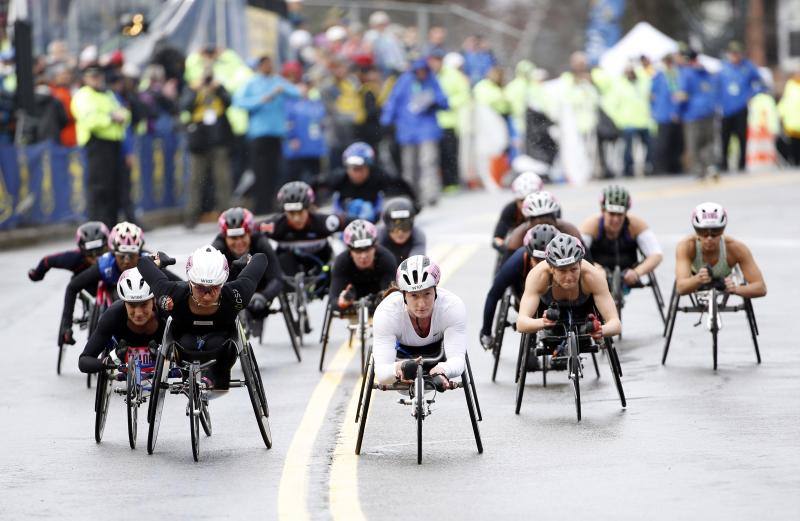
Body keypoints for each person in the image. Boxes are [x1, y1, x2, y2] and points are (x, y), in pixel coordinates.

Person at [139, 245, 267, 390]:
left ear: (222, 283)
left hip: (222, 344)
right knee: (187, 343)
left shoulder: (236, 295)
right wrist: (159, 260)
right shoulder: (173, 294)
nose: (207, 295)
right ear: (190, 282)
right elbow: (143, 263)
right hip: (184, 344)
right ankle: (191, 381)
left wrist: (248, 261)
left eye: (214, 288)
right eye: (200, 287)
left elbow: (261, 258)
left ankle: (210, 381)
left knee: (217, 343)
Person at [372, 255, 467, 390]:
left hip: (437, 359)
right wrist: (399, 368)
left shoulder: (452, 307)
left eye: (427, 294)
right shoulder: (387, 312)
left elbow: (458, 360)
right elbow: (382, 373)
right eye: (414, 295)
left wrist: (443, 369)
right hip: (402, 359)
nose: (421, 304)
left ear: (435, 290)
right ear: (404, 295)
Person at [516, 234, 621, 349]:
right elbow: (521, 323)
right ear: (551, 268)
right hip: (548, 311)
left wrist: (601, 330)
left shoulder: (592, 276)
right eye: (562, 271)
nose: (569, 277)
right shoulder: (538, 275)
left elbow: (616, 324)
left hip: (583, 311)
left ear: (580, 263)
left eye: (573, 269)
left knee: (585, 336)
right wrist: (543, 322)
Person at [58, 222, 144, 347]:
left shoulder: (149, 261)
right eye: (122, 256)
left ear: (140, 253)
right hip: (109, 287)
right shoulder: (105, 264)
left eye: (132, 256)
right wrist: (66, 326)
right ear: (113, 253)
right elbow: (72, 287)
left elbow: (174, 286)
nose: (127, 261)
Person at [233, 55, 301, 214]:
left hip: (276, 132)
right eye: (266, 64)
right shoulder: (251, 83)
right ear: (259, 66)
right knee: (260, 171)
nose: (269, 67)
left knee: (275, 170)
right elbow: (238, 102)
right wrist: (261, 99)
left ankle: (273, 204)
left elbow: (296, 92)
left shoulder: (277, 81)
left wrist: (283, 88)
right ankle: (260, 206)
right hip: (259, 134)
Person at [380, 58, 449, 207]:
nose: (421, 74)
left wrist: (433, 101)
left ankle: (430, 194)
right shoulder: (404, 82)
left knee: (428, 162)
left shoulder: (432, 81)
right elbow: (393, 101)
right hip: (407, 130)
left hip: (427, 129)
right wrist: (386, 120)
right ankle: (411, 195)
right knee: (409, 166)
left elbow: (444, 100)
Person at [480, 224, 558, 349]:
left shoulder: (564, 265)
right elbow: (493, 295)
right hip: (523, 295)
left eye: (547, 260)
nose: (542, 265)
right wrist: (486, 332)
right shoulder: (517, 260)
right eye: (537, 260)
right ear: (528, 254)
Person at [70, 66, 130, 227]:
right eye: (93, 77)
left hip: (114, 144)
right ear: (85, 79)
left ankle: (111, 226)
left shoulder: (108, 94)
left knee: (114, 189)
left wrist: (118, 116)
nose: (97, 79)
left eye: (98, 76)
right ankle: (97, 227)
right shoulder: (83, 96)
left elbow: (125, 113)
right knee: (99, 189)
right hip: (96, 145)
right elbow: (90, 121)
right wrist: (111, 118)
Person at [78, 268, 165, 373]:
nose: (138, 313)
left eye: (144, 304)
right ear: (124, 303)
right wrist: (108, 361)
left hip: (160, 350)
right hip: (121, 352)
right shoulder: (113, 315)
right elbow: (83, 361)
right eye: (132, 305)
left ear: (154, 300)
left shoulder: (166, 311)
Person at [675, 202, 766, 298]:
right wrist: (697, 279)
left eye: (715, 231)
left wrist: (736, 289)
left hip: (723, 280)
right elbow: (680, 288)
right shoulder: (687, 246)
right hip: (695, 277)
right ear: (696, 231)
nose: (709, 238)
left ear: (722, 230)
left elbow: (761, 288)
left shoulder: (736, 248)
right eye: (703, 232)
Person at [580, 185, 663, 288]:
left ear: (626, 213)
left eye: (620, 214)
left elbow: (656, 255)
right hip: (598, 268)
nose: (615, 219)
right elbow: (578, 256)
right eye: (612, 214)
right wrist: (595, 268)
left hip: (628, 269)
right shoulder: (591, 225)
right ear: (602, 211)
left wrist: (637, 272)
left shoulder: (636, 225)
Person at [180, 69, 234, 228]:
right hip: (199, 141)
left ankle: (228, 216)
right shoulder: (192, 88)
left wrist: (218, 89)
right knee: (195, 181)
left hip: (218, 140)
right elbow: (185, 106)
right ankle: (191, 217)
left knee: (223, 180)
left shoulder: (218, 88)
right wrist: (197, 91)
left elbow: (229, 102)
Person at [211, 207, 284, 321]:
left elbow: (277, 278)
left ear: (250, 233)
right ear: (225, 237)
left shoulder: (261, 243)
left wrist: (264, 296)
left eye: (242, 236)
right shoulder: (217, 248)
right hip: (231, 287)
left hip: (259, 288)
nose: (239, 242)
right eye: (233, 238)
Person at [259, 181, 344, 277]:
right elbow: (249, 229)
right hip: (287, 275)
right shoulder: (273, 225)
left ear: (308, 208)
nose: (296, 218)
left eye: (300, 212)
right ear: (284, 211)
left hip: (321, 269)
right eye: (291, 213)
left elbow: (353, 223)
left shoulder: (324, 222)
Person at [326, 141, 417, 222]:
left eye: (361, 169)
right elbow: (317, 185)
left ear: (368, 167)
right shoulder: (339, 178)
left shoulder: (378, 177)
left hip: (372, 219)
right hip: (344, 220)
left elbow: (401, 184)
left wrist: (414, 204)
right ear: (347, 168)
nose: (357, 174)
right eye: (354, 169)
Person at [330, 220, 398, 312]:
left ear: (375, 246)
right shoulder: (341, 262)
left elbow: (392, 298)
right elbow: (333, 301)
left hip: (379, 298)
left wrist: (376, 301)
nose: (363, 256)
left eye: (367, 249)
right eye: (358, 251)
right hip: (353, 300)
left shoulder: (387, 259)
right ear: (350, 250)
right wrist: (342, 302)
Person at [717, 41, 764, 172]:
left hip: (741, 107)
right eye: (732, 54)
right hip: (726, 109)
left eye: (737, 53)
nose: (734, 56)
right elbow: (716, 87)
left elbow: (761, 84)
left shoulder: (748, 67)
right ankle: (724, 163)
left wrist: (751, 94)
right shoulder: (723, 68)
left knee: (741, 136)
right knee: (725, 137)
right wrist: (718, 103)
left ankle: (742, 163)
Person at [677, 50, 718, 179]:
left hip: (692, 113)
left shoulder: (686, 73)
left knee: (694, 143)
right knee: (709, 141)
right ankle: (711, 167)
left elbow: (682, 95)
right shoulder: (706, 72)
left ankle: (699, 170)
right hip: (709, 110)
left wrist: (678, 111)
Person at [504, 191, 585, 252]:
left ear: (555, 217)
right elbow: (503, 271)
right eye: (536, 218)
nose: (542, 222)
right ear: (528, 220)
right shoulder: (518, 235)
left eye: (547, 216)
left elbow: (588, 262)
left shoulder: (569, 230)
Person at [28, 221, 109, 282]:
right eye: (90, 253)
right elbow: (46, 261)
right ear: (82, 251)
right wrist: (37, 275)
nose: (96, 258)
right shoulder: (74, 259)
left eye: (99, 252)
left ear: (108, 247)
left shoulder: (116, 255)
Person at [650, 53, 684, 175]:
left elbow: (676, 96)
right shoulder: (660, 76)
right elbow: (652, 95)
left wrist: (675, 111)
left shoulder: (672, 75)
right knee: (663, 143)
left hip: (670, 115)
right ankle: (661, 168)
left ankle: (673, 167)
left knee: (674, 143)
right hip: (663, 115)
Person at [492, 172, 543, 251]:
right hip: (517, 247)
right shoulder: (510, 209)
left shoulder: (550, 208)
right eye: (521, 200)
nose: (525, 205)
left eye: (530, 200)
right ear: (516, 200)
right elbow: (497, 239)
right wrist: (506, 250)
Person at [377, 197, 426, 263]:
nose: (400, 232)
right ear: (386, 226)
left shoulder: (418, 235)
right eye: (395, 227)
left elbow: (416, 263)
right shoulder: (377, 236)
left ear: (412, 224)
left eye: (405, 226)